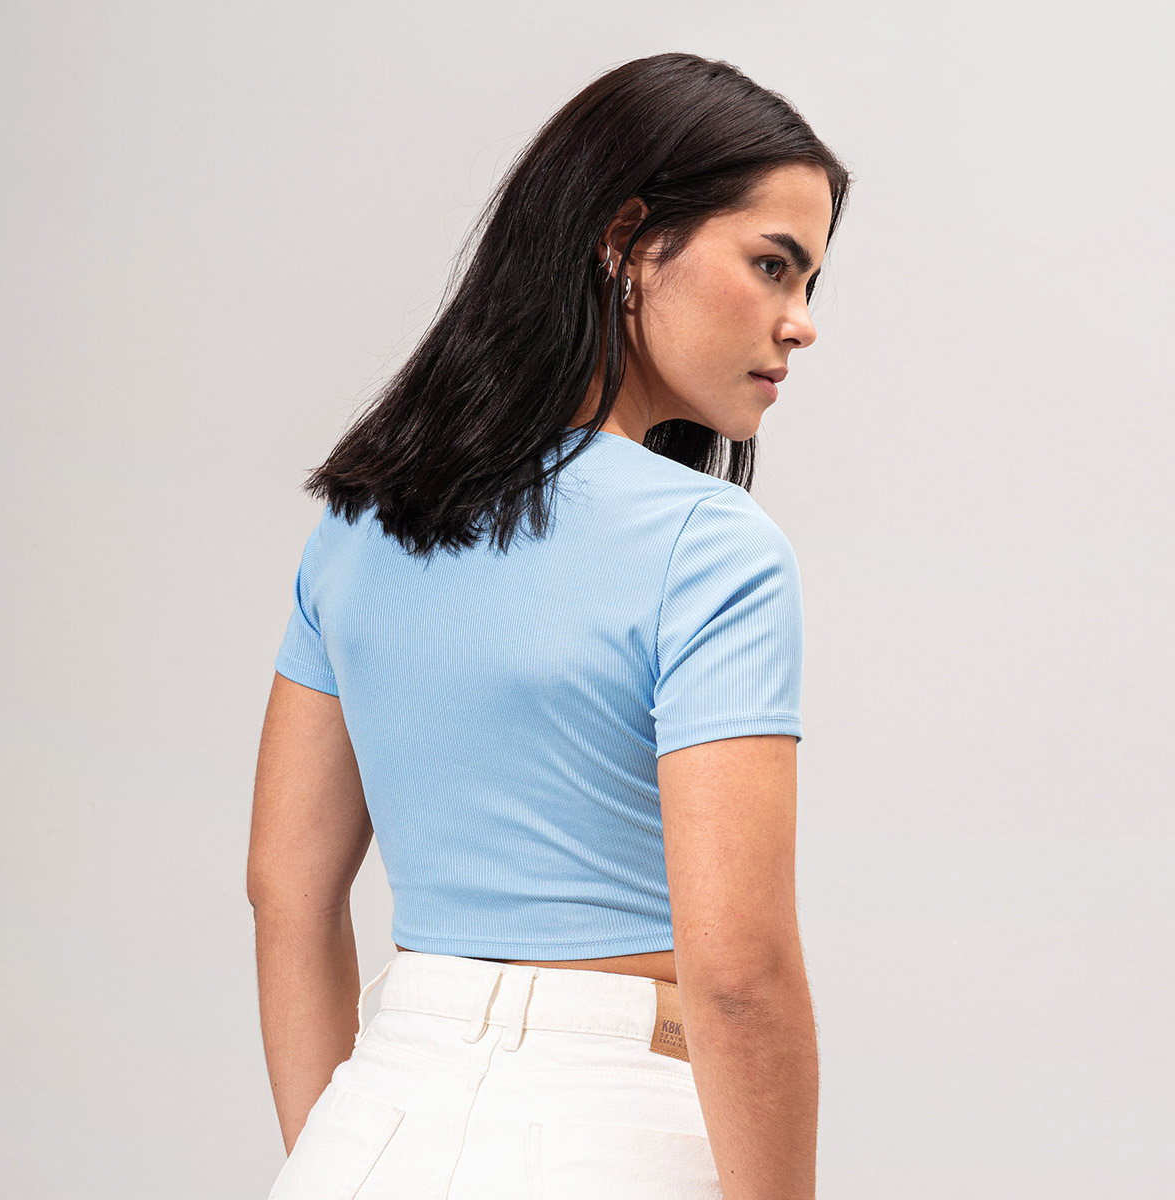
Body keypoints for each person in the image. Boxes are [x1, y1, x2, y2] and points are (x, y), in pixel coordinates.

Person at [248, 50, 852, 1200]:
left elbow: (286, 890)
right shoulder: (709, 546)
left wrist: (343, 1153)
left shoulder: (362, 522)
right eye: (773, 265)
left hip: (368, 1128)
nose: (801, 322)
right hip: (609, 1136)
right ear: (627, 239)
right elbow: (738, 975)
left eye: (811, 281)